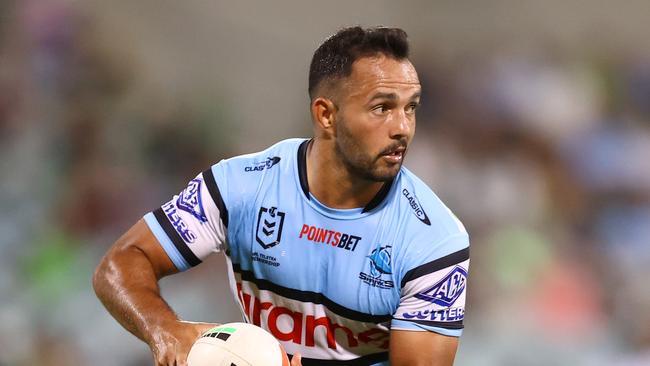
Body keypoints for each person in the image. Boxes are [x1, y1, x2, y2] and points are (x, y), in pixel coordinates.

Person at [93, 26, 470, 366]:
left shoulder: (434, 241)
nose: (402, 128)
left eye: (411, 108)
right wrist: (164, 329)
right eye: (382, 108)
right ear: (326, 115)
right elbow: (122, 263)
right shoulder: (239, 187)